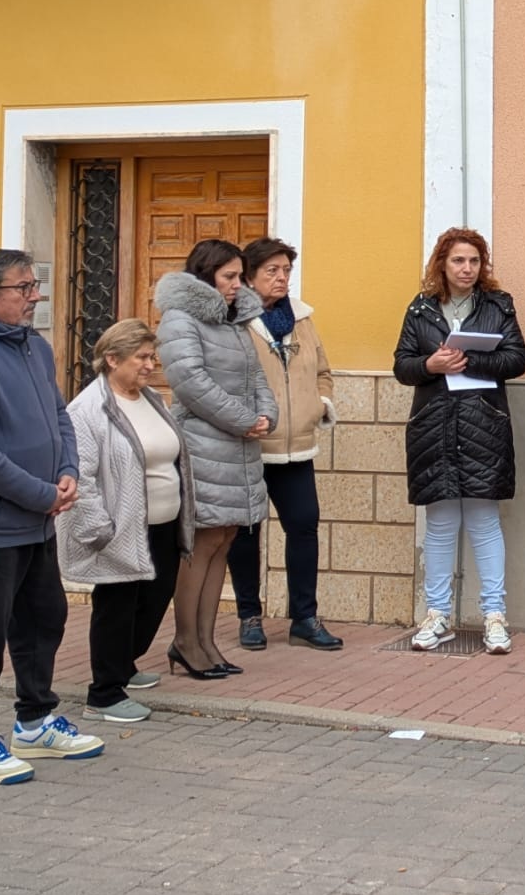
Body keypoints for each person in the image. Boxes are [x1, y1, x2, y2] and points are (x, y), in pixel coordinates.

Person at [0, 249, 101, 787]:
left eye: (34, 285)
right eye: (23, 288)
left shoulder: (34, 345)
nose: (35, 296)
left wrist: (68, 469)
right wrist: (39, 493)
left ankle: (35, 722)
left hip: (38, 520)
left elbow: (59, 415)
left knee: (43, 620)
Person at [393, 226, 525, 655]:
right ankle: (437, 615)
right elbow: (402, 365)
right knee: (440, 525)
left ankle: (494, 616)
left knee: (485, 523)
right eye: (458, 260)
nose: (466, 268)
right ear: (442, 264)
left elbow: (517, 359)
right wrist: (430, 365)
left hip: (483, 425)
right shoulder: (420, 308)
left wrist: (472, 360)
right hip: (433, 426)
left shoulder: (498, 305)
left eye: (474, 260)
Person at [60, 320, 194, 725]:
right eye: (142, 357)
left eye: (152, 356)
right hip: (119, 527)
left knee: (154, 598)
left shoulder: (152, 398)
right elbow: (81, 475)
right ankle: (104, 692)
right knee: (116, 607)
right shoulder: (88, 410)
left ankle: (124, 664)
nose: (151, 365)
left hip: (163, 524)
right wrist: (99, 530)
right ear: (112, 359)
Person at [155, 239, 275, 681]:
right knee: (201, 544)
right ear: (205, 276)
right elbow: (189, 381)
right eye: (229, 276)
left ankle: (207, 643)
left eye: (240, 276)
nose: (238, 285)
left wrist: (266, 416)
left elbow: (257, 375)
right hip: (203, 444)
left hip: (238, 446)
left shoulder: (234, 321)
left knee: (224, 540)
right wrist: (243, 420)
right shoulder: (180, 319)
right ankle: (186, 641)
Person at [227, 237, 343, 653]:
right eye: (272, 271)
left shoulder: (302, 319)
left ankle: (304, 619)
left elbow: (323, 371)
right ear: (250, 278)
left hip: (297, 448)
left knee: (304, 526)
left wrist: (320, 404)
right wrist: (242, 419)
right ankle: (249, 616)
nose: (281, 278)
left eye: (286, 270)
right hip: (251, 446)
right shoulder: (234, 321)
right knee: (246, 533)